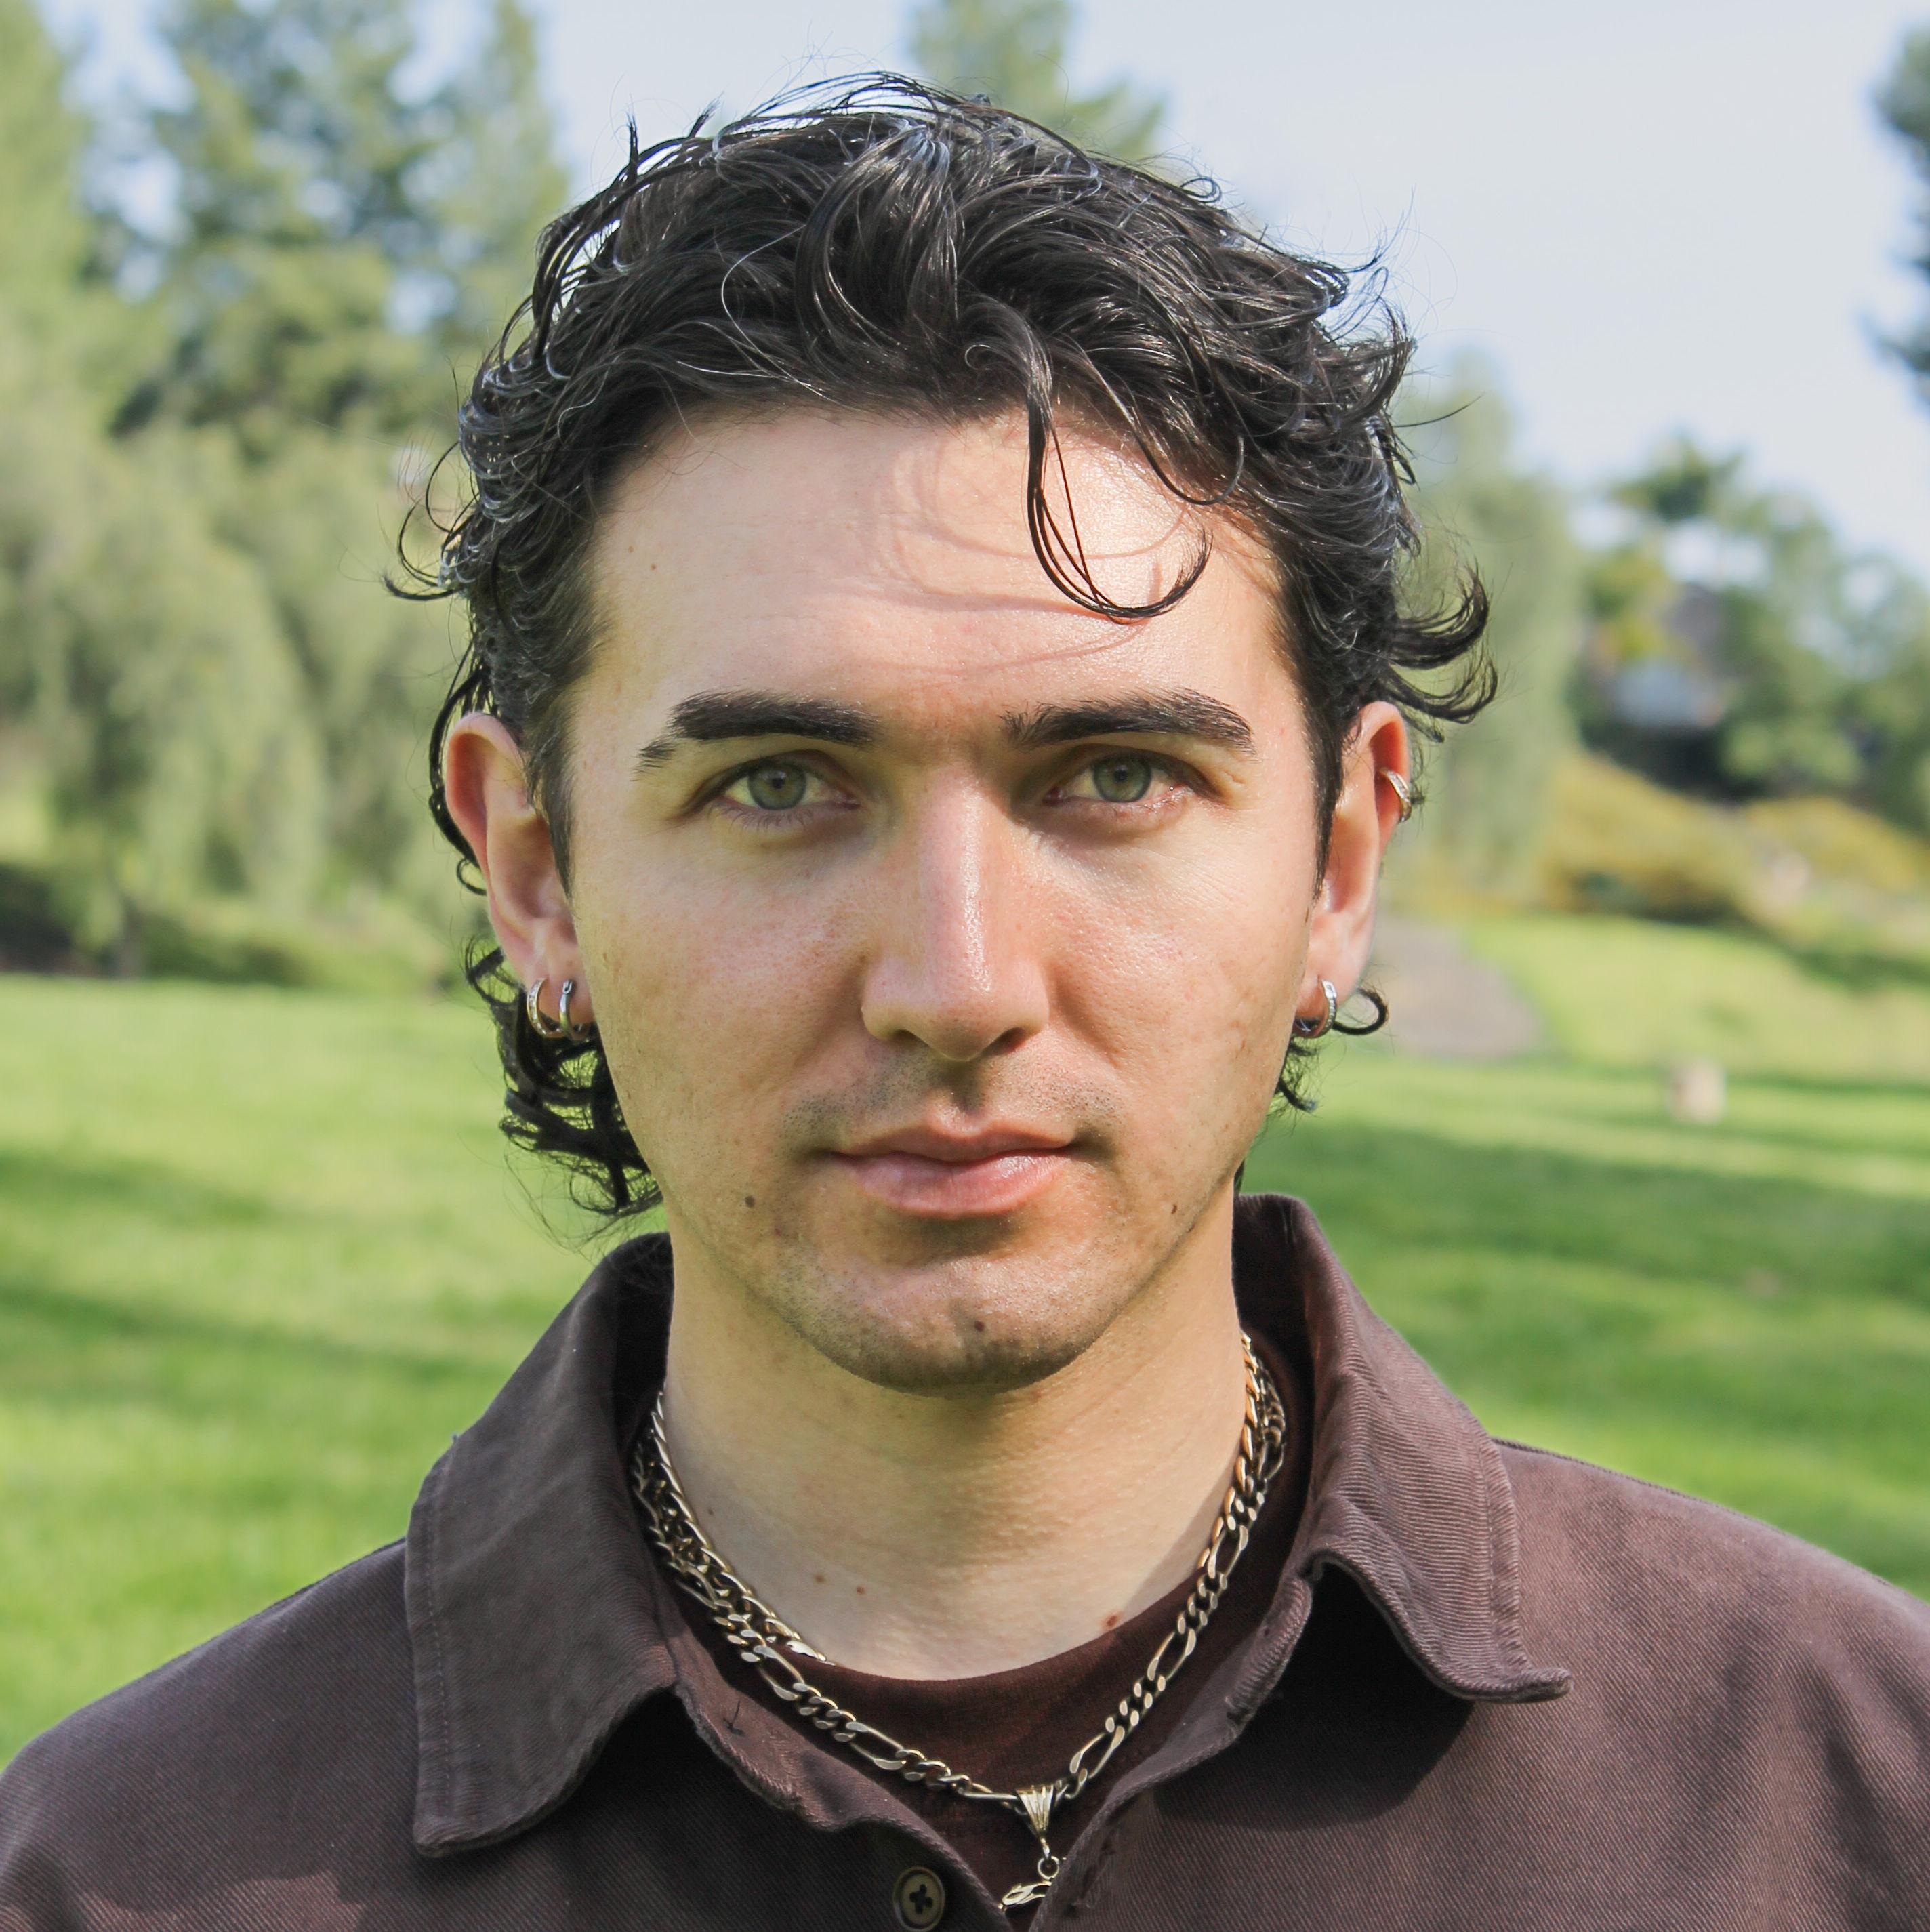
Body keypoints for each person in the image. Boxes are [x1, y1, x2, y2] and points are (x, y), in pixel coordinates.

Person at [3, 77, 1925, 1932]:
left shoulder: (1856, 1810)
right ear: (535, 869)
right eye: (778, 785)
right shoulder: (111, 1880)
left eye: (1114, 778)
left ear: (1341, 860)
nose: (958, 985)